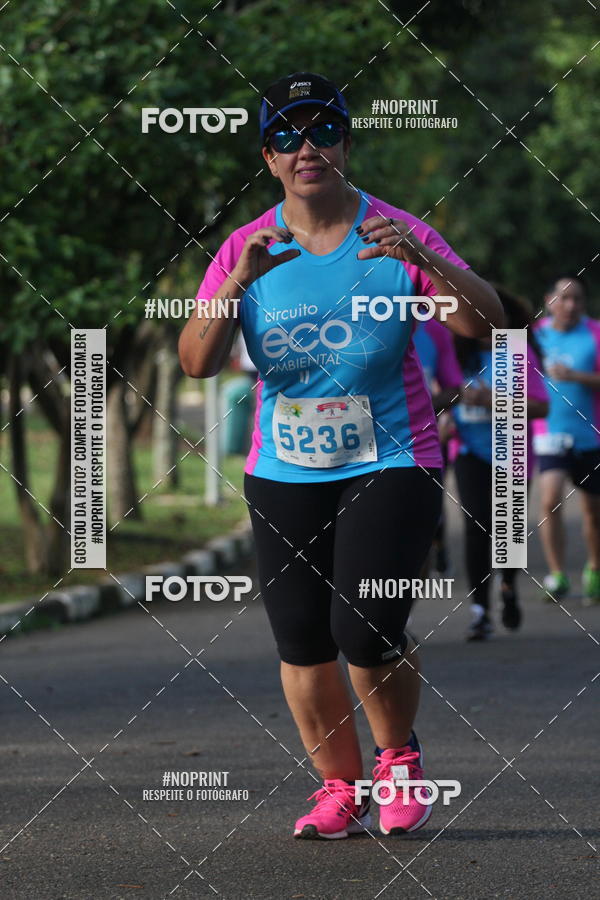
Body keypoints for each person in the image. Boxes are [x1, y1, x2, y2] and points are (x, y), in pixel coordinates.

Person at [178, 71, 502, 839]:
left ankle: (397, 759)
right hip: (284, 468)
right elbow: (195, 361)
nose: (307, 147)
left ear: (347, 144)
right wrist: (235, 286)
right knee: (302, 639)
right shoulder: (246, 245)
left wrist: (429, 259)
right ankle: (338, 788)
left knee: (366, 626)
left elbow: (483, 327)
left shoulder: (395, 232)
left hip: (393, 457)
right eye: (288, 135)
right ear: (268, 157)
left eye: (323, 130)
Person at [452, 287, 549, 640]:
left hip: (513, 451)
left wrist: (495, 401)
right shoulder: (457, 357)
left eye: (495, 316)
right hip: (469, 453)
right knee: (477, 526)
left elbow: (541, 408)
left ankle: (508, 585)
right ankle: (480, 609)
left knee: (507, 531)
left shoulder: (518, 353)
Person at [532, 275, 600, 605]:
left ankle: (595, 571)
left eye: (577, 299)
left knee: (592, 512)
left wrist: (576, 377)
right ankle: (557, 574)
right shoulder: (535, 336)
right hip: (549, 432)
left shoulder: (594, 333)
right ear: (549, 300)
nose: (571, 305)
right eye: (564, 298)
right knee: (549, 501)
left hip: (590, 434)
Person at [413, 317, 463, 576]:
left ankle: (438, 546)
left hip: (422, 442)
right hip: (364, 446)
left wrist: (415, 404)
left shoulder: (434, 330)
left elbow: (454, 390)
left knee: (423, 517)